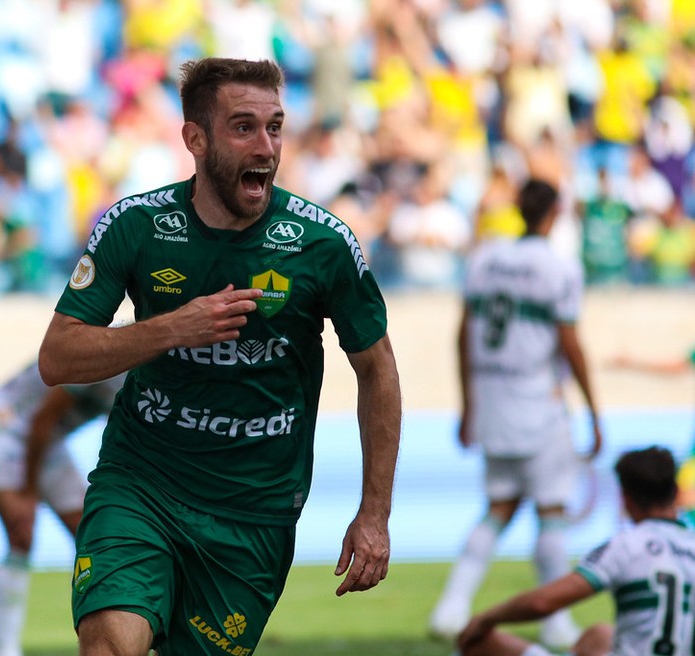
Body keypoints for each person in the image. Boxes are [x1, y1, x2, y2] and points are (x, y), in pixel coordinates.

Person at [37, 57, 403, 656]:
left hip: (253, 511)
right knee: (107, 645)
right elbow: (58, 357)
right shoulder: (136, 226)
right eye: (243, 127)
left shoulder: (323, 244)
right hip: (141, 484)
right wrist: (171, 328)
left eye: (275, 127)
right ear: (195, 139)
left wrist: (375, 513)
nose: (266, 146)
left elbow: (377, 369)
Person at [429, 178, 604, 649]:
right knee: (551, 512)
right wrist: (594, 412)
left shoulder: (484, 258)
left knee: (498, 509)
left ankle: (452, 606)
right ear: (555, 213)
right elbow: (571, 344)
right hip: (537, 402)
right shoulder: (559, 267)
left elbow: (463, 333)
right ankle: (555, 622)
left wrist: (468, 404)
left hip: (492, 399)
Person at [457, 445, 695, 656]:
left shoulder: (627, 546)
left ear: (625, 498)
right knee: (600, 634)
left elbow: (542, 603)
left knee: (481, 642)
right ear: (675, 492)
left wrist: (487, 618)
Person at [0, 362, 126, 656]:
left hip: (48, 440)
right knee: (22, 534)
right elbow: (43, 418)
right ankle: (5, 649)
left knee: (92, 539)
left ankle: (107, 636)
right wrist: (28, 491)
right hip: (5, 425)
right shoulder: (111, 359)